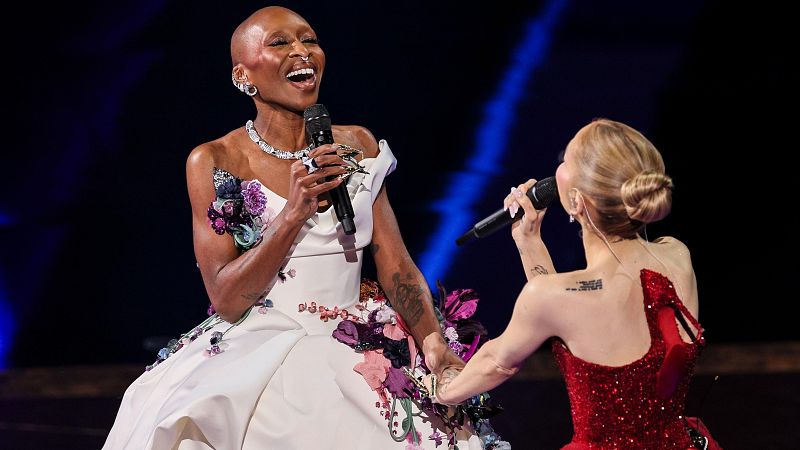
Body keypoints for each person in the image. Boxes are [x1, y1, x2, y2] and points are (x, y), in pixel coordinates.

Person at [103, 6, 489, 449]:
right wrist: (292, 214)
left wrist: (433, 342)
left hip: (356, 342)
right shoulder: (216, 161)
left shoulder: (357, 145)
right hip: (262, 348)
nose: (302, 51)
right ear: (243, 75)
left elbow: (397, 266)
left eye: (309, 40)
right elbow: (226, 298)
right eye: (280, 43)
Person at [424, 118, 721, 449]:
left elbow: (497, 362)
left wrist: (441, 390)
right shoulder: (677, 256)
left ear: (577, 201)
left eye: (566, 160)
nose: (557, 170)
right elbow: (565, 310)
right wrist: (528, 240)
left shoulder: (555, 297)